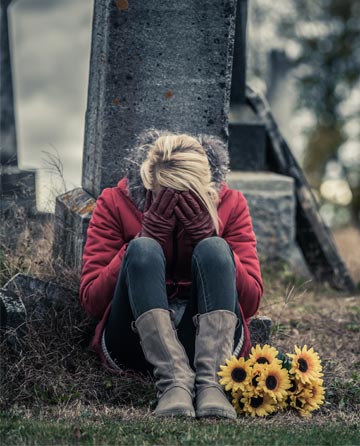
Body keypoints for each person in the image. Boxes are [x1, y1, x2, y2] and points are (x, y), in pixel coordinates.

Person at [80, 129, 264, 419]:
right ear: (148, 183)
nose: (177, 206)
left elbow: (251, 302)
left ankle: (212, 385)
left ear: (208, 188)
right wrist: (144, 239)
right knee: (142, 249)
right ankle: (173, 382)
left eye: (189, 196)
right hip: (134, 344)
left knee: (216, 248)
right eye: (166, 194)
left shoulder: (232, 203)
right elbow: (92, 300)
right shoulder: (114, 202)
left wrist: (208, 237)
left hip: (212, 347)